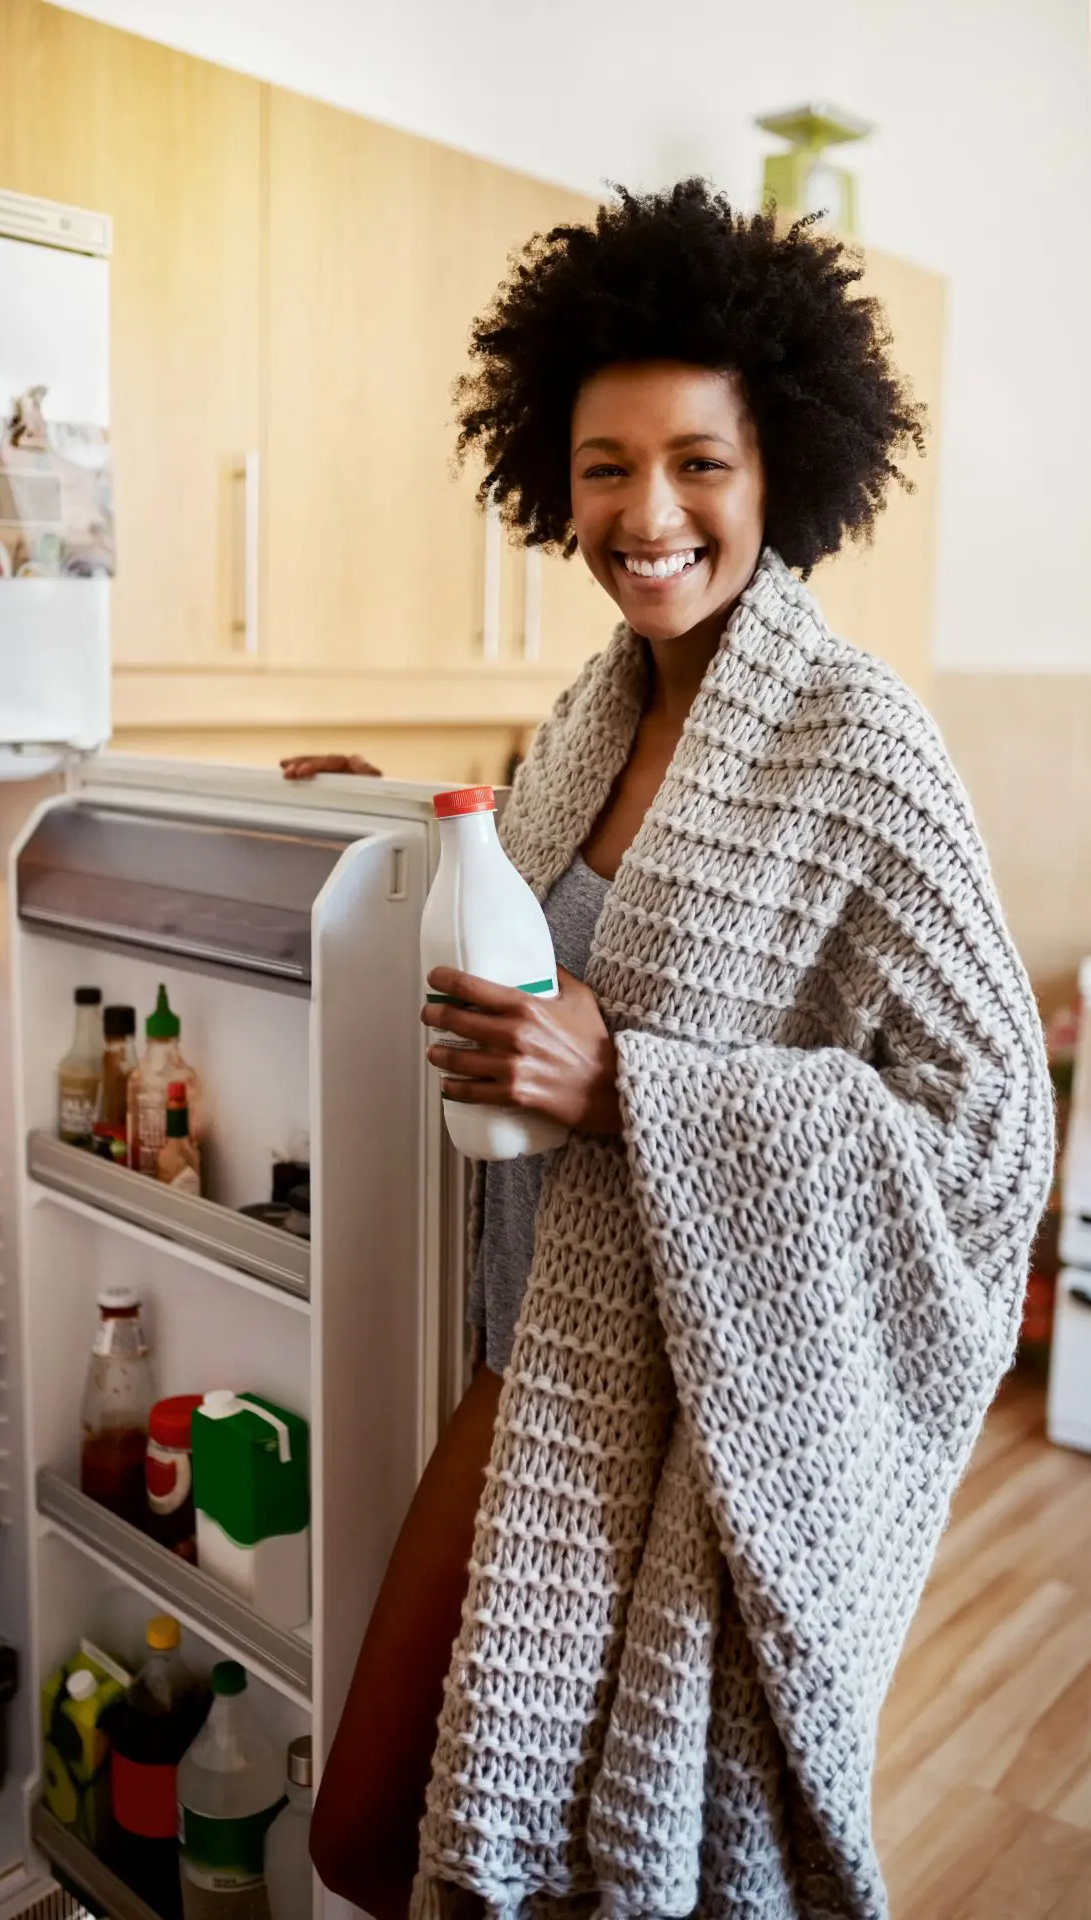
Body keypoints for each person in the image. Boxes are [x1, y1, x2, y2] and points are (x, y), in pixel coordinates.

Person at [292, 181, 1052, 1919]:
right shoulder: (584, 717)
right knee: (384, 1842)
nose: (650, 514)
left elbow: (996, 1128)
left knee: (545, 1865)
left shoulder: (862, 747)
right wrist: (412, 832)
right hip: (533, 1361)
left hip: (712, 1437)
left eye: (697, 461)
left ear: (778, 469)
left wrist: (631, 1089)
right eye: (605, 466)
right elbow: (550, 927)